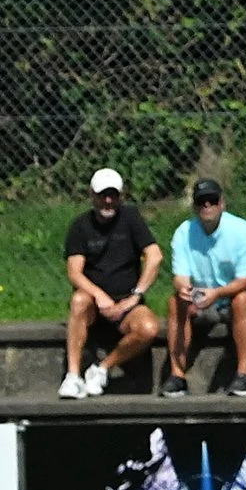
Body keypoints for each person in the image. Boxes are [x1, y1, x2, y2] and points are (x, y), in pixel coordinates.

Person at [58, 166, 162, 398]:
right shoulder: (80, 226)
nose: (108, 201)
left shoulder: (131, 218)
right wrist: (99, 296)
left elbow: (154, 256)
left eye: (113, 195)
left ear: (121, 196)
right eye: (103, 195)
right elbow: (74, 272)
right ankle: (73, 376)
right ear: (92, 195)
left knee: (149, 328)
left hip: (126, 302)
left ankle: (102, 368)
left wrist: (134, 296)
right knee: (78, 301)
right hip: (94, 304)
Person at [165, 177, 246, 397]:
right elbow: (180, 276)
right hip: (204, 299)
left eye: (212, 200)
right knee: (175, 301)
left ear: (222, 203)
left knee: (241, 300)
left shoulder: (242, 231)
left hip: (243, 296)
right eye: (202, 202)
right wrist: (186, 290)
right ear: (194, 207)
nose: (207, 206)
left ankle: (244, 375)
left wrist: (217, 293)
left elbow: (245, 281)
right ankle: (177, 376)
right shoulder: (184, 232)